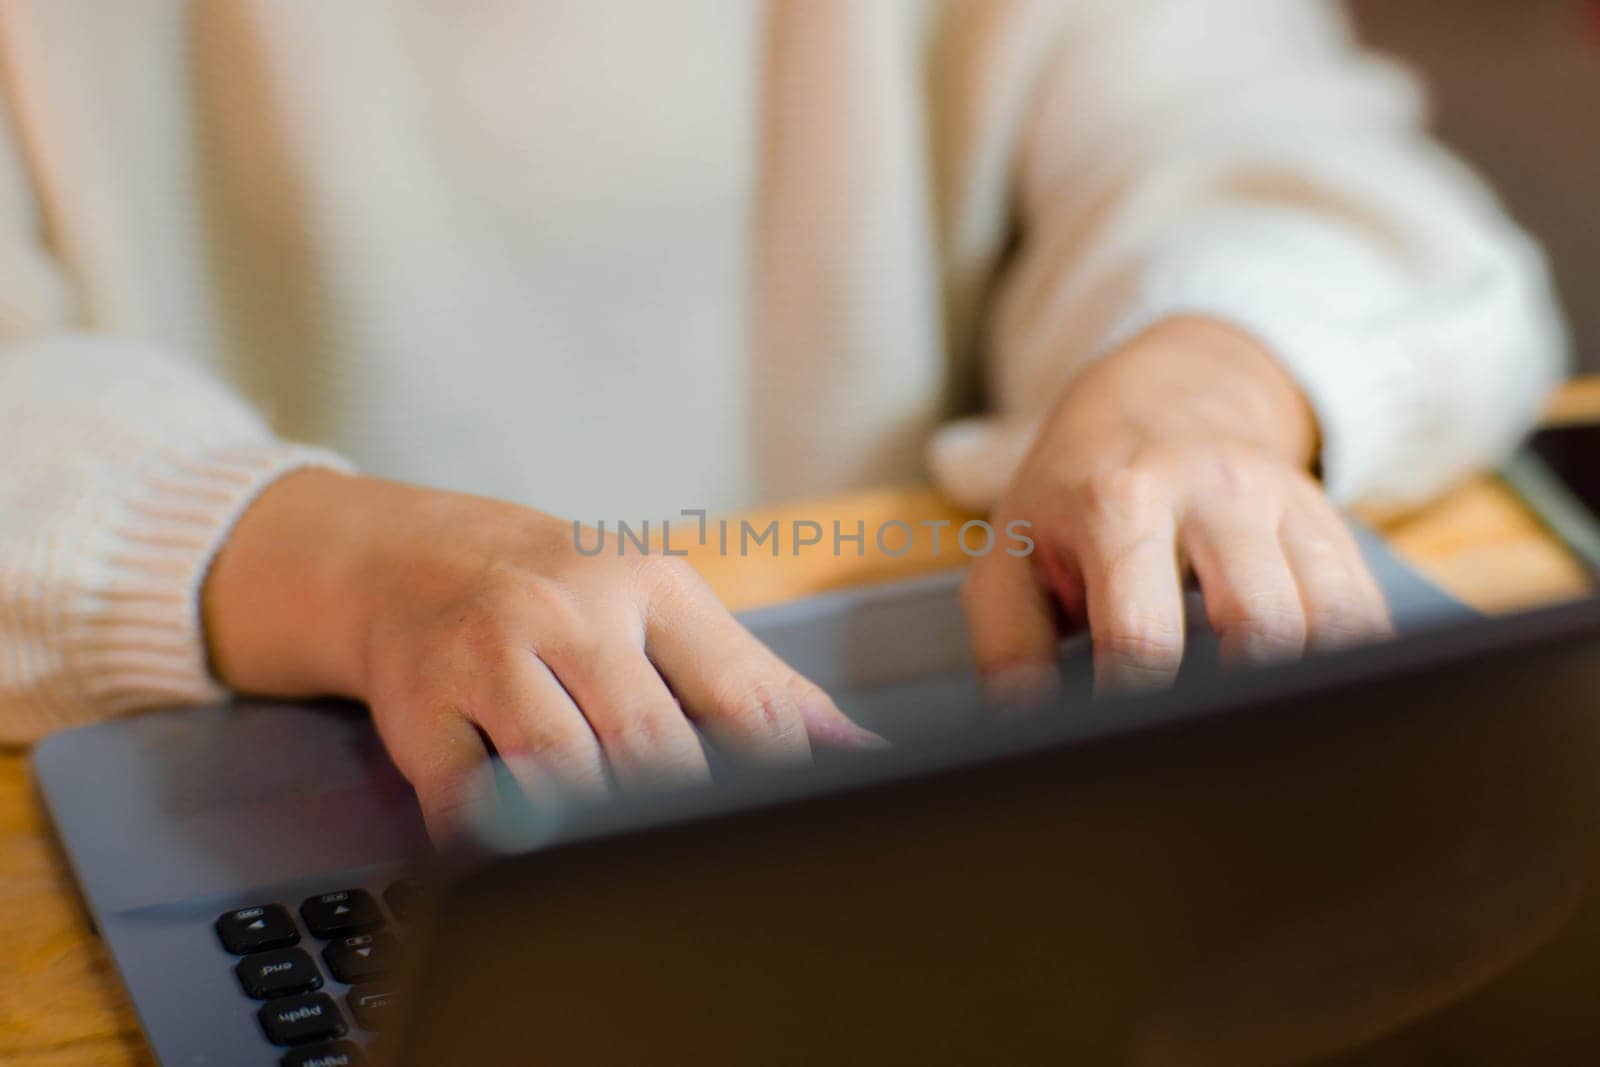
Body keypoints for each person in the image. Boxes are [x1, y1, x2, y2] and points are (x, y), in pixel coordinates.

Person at [0, 0, 1567, 837]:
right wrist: (347, 568)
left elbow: (1285, 153)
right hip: (290, 760)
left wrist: (1203, 387)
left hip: (976, 757)